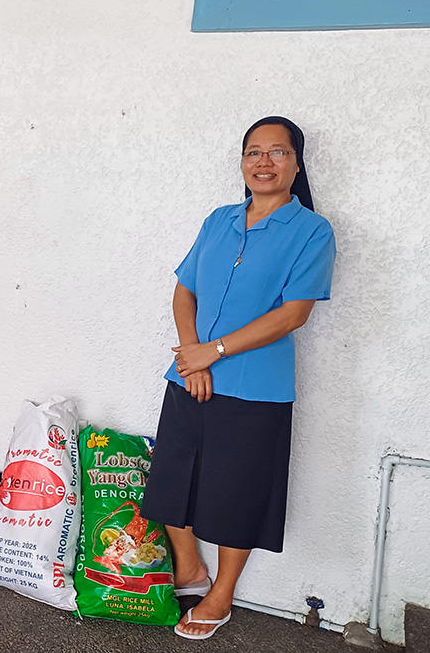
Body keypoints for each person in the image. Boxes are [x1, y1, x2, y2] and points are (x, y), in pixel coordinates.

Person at [140, 117, 336, 640]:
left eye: (278, 152)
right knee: (173, 479)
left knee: (237, 495)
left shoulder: (312, 231)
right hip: (190, 377)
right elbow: (185, 290)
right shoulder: (219, 220)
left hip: (255, 388)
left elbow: (293, 314)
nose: (263, 162)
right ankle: (190, 569)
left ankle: (221, 595)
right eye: (254, 152)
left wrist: (215, 351)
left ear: (297, 163)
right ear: (242, 161)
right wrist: (193, 358)